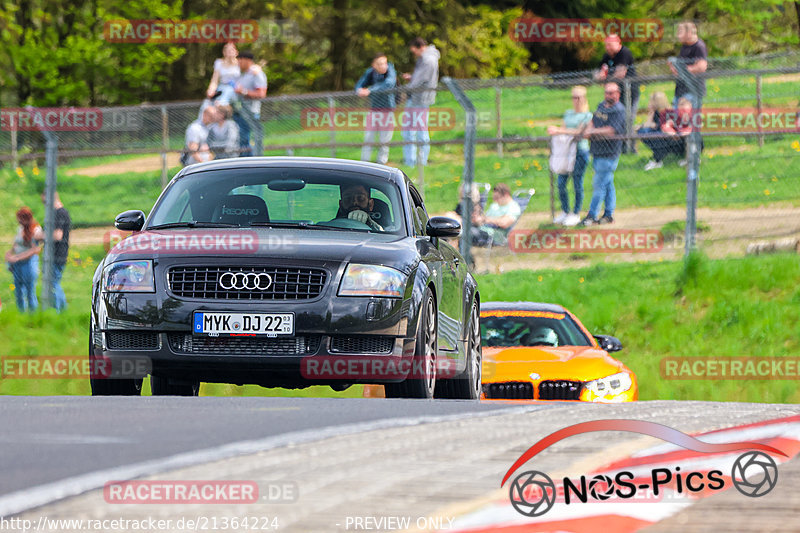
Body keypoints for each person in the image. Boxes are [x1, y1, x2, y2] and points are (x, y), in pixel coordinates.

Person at [580, 83, 626, 226]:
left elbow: (612, 130)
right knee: (607, 183)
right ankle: (608, 215)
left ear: (618, 94)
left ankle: (592, 216)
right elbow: (592, 120)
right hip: (597, 151)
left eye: (612, 93)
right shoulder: (601, 106)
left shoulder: (619, 110)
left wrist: (592, 132)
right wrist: (588, 129)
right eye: (607, 92)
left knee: (599, 184)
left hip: (609, 153)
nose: (609, 96)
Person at [547, 85, 593, 226]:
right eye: (574, 97)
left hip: (580, 152)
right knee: (561, 183)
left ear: (584, 98)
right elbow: (565, 130)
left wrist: (560, 130)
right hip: (566, 152)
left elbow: (580, 132)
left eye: (579, 97)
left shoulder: (588, 116)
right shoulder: (568, 114)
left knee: (577, 183)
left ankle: (576, 213)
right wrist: (559, 131)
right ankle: (565, 211)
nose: (576, 100)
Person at [595, 34, 640, 153]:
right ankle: (619, 147)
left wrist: (605, 78)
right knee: (616, 120)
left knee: (628, 119)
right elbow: (599, 74)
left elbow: (620, 74)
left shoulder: (624, 53)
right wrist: (602, 77)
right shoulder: (607, 56)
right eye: (606, 45)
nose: (607, 48)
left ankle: (630, 148)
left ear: (618, 43)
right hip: (614, 96)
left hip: (629, 94)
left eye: (610, 45)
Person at [401, 37, 440, 167]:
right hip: (415, 98)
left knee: (420, 130)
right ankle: (410, 162)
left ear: (421, 47)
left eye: (414, 51)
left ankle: (420, 162)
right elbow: (420, 78)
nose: (414, 54)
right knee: (409, 129)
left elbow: (421, 80)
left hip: (421, 100)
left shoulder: (429, 60)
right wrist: (412, 79)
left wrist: (405, 88)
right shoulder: (424, 59)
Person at [356, 53, 397, 165]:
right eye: (379, 64)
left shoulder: (390, 71)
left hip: (388, 111)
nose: (383, 66)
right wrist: (359, 90)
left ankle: (382, 163)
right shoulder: (370, 73)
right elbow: (359, 85)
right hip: (374, 111)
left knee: (384, 141)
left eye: (384, 63)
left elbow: (389, 83)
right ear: (373, 65)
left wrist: (370, 90)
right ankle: (364, 163)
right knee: (368, 138)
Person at [5, 207, 44, 312]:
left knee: (30, 290)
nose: (19, 221)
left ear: (26, 218)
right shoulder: (20, 228)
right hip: (17, 264)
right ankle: (21, 313)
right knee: (18, 290)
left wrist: (17, 258)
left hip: (29, 263)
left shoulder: (36, 230)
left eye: (20, 219)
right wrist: (9, 254)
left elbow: (35, 250)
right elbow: (16, 243)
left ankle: (32, 314)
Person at [638, 91, 686, 170]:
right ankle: (657, 156)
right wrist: (651, 112)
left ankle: (658, 161)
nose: (649, 103)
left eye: (651, 101)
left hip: (674, 140)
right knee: (643, 131)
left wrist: (651, 125)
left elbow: (666, 129)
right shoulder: (656, 112)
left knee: (647, 133)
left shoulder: (668, 112)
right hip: (664, 138)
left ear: (656, 102)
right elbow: (649, 124)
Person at [233, 51, 268, 157]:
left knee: (252, 136)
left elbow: (261, 93)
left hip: (251, 111)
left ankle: (255, 159)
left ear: (247, 60)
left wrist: (243, 92)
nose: (238, 63)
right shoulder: (244, 74)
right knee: (242, 137)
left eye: (240, 60)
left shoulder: (257, 74)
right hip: (241, 111)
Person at [40, 191, 71, 312]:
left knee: (53, 283)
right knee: (54, 283)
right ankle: (62, 311)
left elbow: (57, 235)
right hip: (56, 254)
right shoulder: (59, 213)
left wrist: (40, 236)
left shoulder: (59, 213)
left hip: (57, 254)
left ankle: (59, 311)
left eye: (46, 203)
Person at [670, 22, 708, 109]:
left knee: (689, 119)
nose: (678, 35)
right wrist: (673, 66)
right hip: (680, 90)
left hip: (692, 90)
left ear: (689, 33)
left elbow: (702, 66)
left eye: (680, 32)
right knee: (676, 117)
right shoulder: (684, 46)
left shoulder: (699, 46)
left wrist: (683, 71)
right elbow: (679, 67)